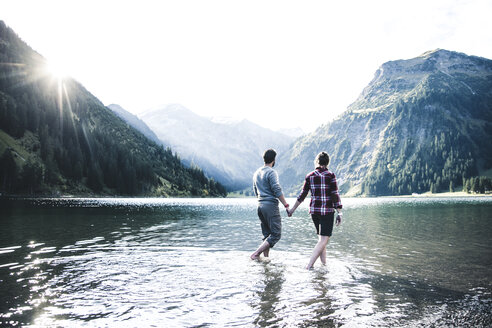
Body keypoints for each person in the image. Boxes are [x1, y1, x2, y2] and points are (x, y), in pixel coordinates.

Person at [287, 151, 343, 269]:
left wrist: (292, 210)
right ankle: (309, 265)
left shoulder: (310, 176)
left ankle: (323, 265)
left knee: (321, 239)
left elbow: (302, 195)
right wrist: (339, 212)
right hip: (327, 211)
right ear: (327, 162)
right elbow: (335, 194)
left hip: (314, 212)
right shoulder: (330, 175)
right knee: (323, 240)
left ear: (317, 162)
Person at [251, 149, 290, 260]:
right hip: (270, 206)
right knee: (276, 234)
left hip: (260, 205)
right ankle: (256, 254)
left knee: (267, 235)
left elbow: (255, 190)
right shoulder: (271, 172)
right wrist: (286, 205)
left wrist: (261, 201)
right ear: (273, 160)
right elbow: (277, 190)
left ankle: (266, 260)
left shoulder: (256, 173)